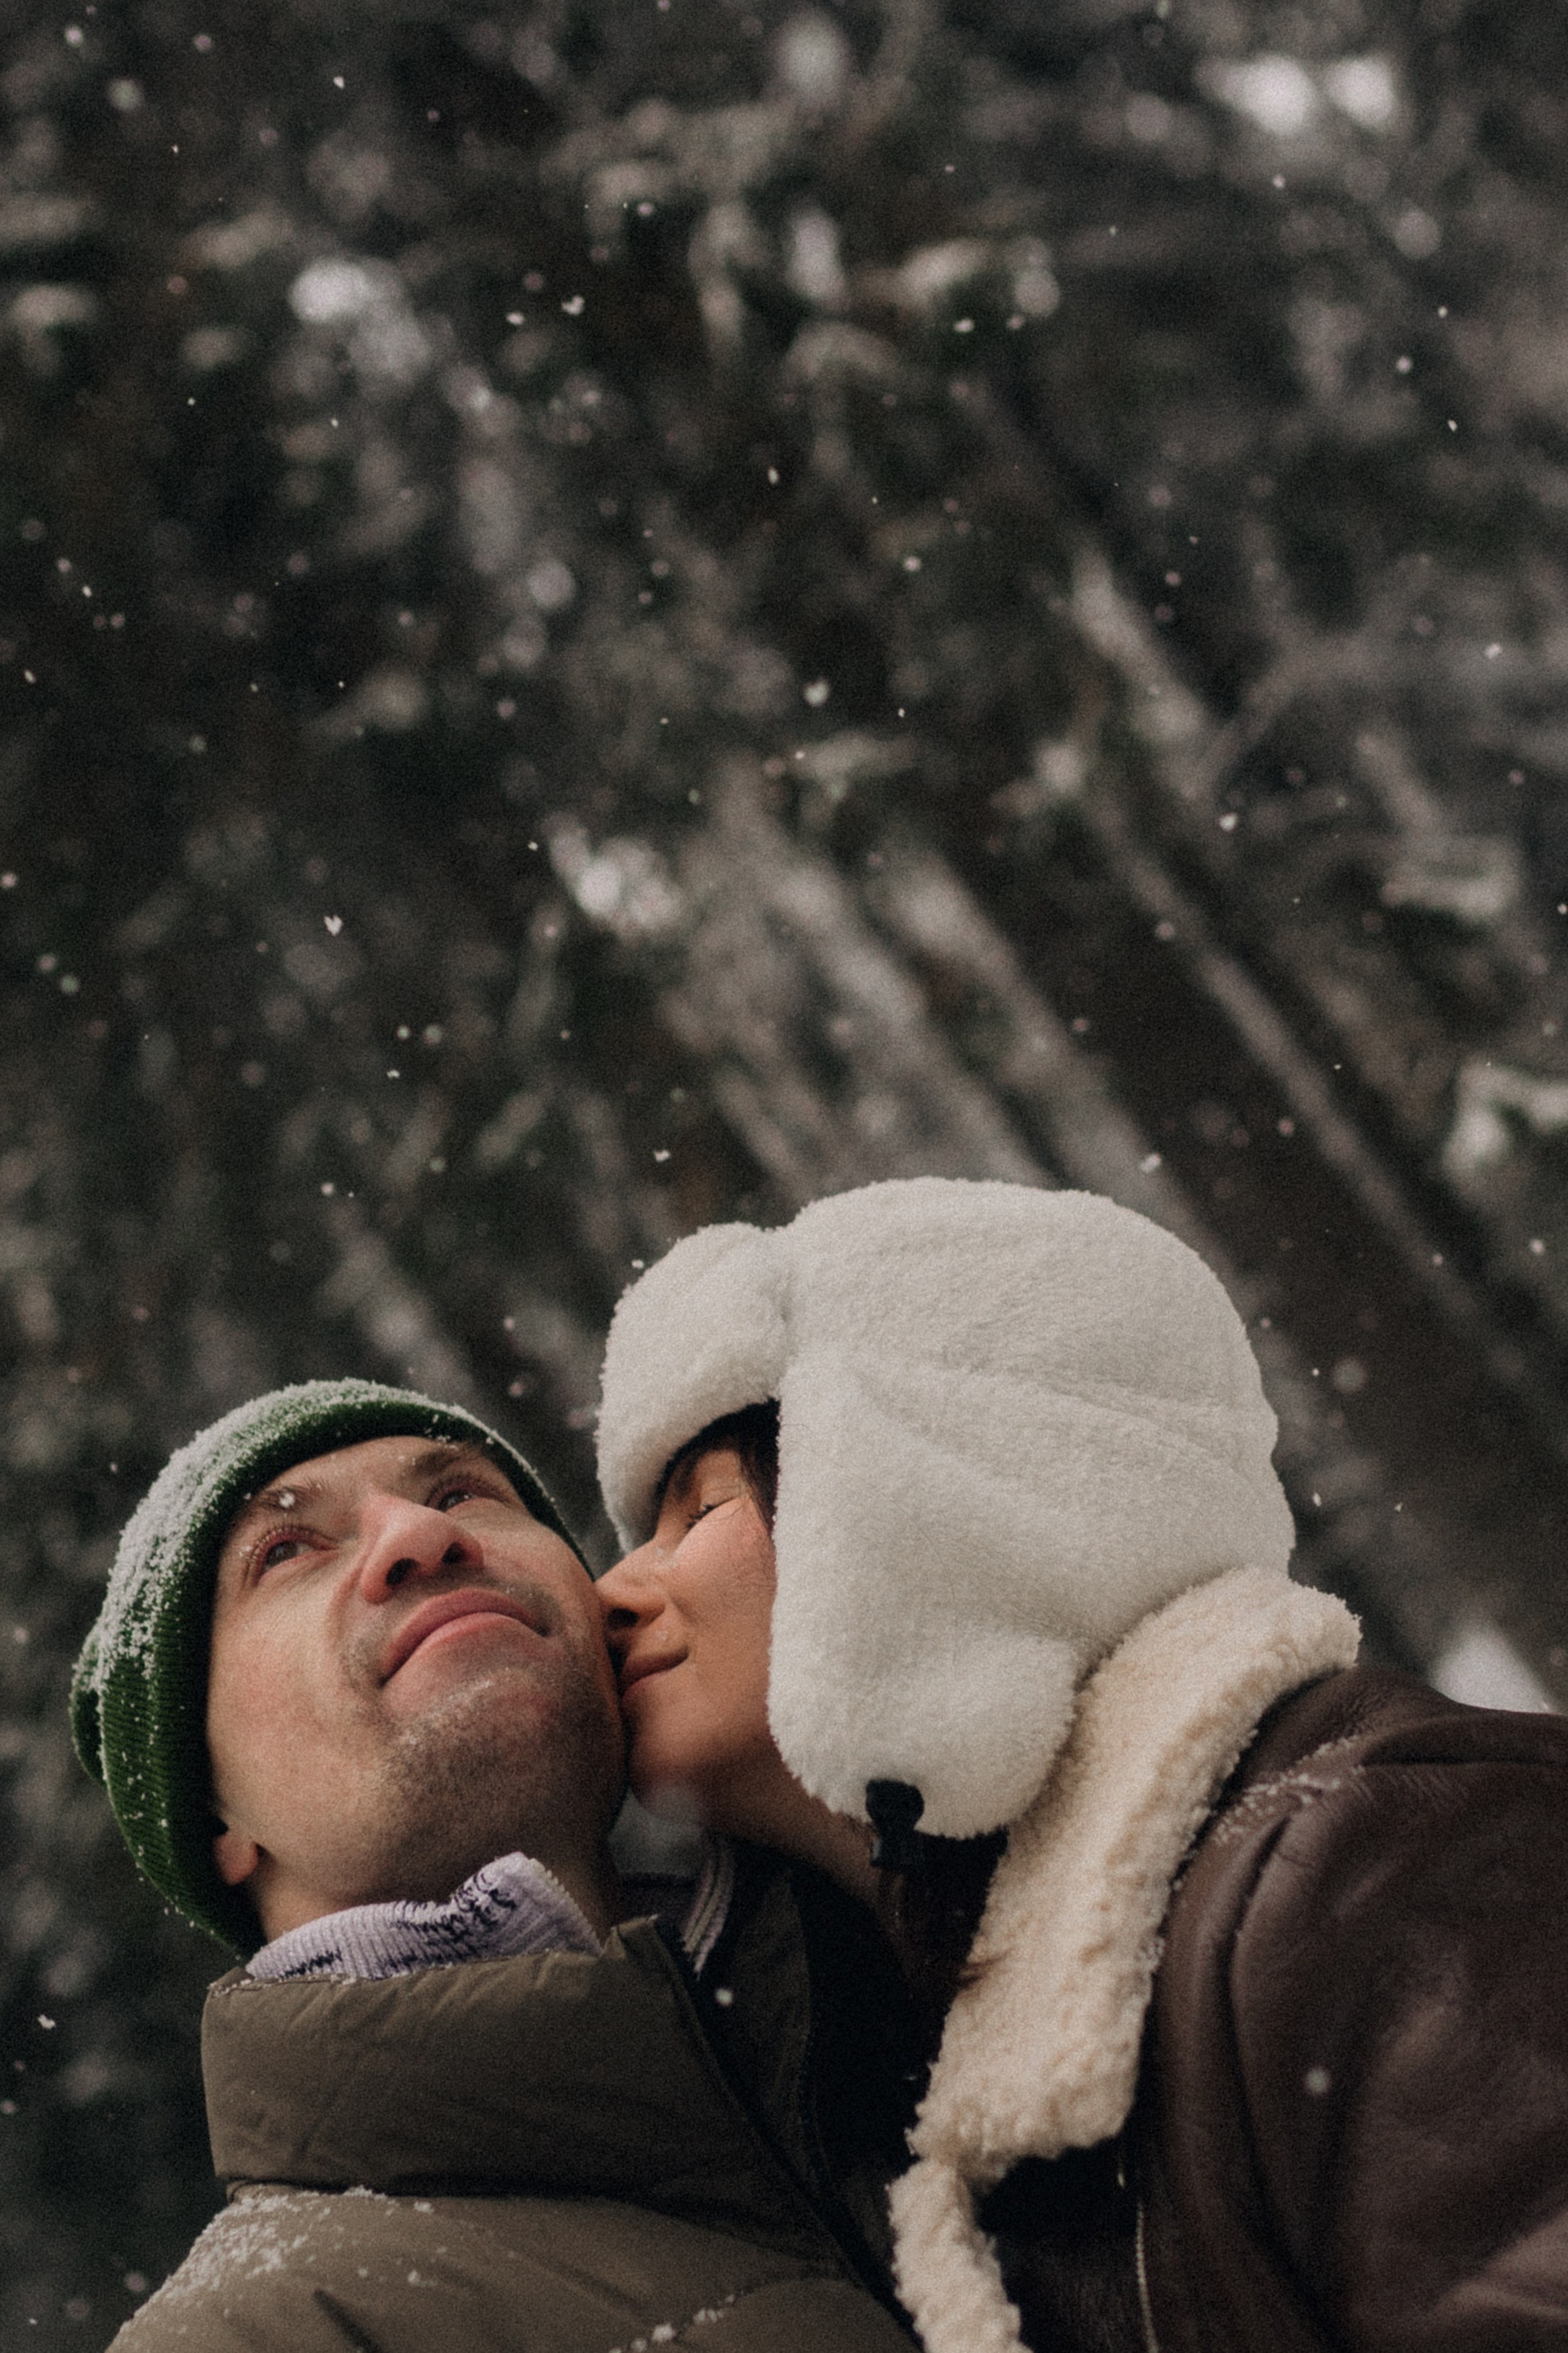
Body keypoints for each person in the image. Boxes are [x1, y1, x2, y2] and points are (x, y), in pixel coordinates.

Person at [595, 1176, 1568, 2353]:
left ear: (931, 1502)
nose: (611, 1593)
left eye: (698, 1510)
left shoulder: (1363, 1863)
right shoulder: (906, 2067)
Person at [71, 1376, 922, 2353]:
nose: (416, 1538)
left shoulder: (963, 1987)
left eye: (461, 1496)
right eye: (286, 1551)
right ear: (210, 1811)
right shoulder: (261, 2335)